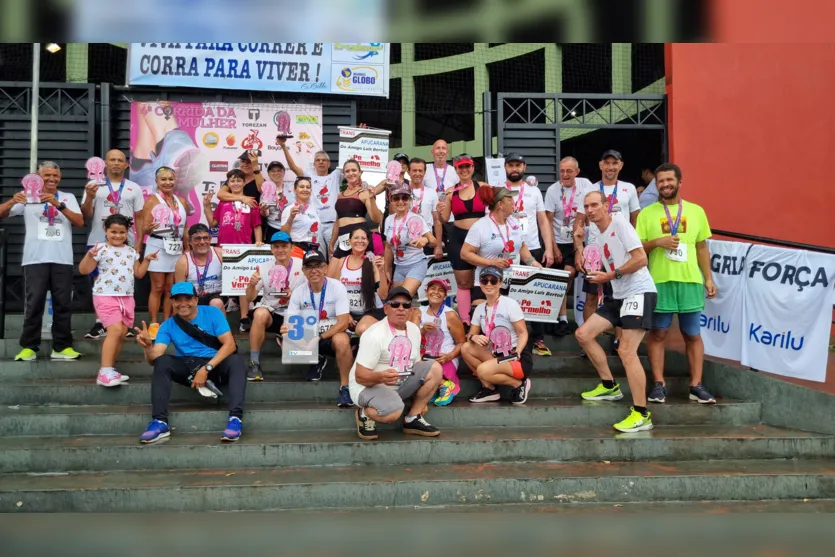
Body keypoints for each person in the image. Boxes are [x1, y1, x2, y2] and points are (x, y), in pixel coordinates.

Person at [574, 191, 657, 433]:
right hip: (618, 294)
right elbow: (590, 266)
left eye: (594, 205)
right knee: (583, 334)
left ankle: (642, 414)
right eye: (586, 206)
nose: (590, 210)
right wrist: (579, 243)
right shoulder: (594, 233)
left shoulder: (620, 223)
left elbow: (641, 258)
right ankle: (610, 386)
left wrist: (612, 275)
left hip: (639, 292)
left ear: (606, 205)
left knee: (626, 351)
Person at [636, 163, 717, 404]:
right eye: (661, 181)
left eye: (670, 180)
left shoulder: (696, 211)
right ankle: (659, 384)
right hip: (659, 281)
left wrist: (709, 278)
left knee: (692, 334)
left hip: (690, 280)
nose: (665, 184)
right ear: (656, 184)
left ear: (679, 182)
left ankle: (696, 385)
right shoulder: (646, 213)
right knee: (658, 334)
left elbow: (701, 247)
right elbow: (638, 248)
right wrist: (657, 242)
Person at [134, 282, 247, 444]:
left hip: (215, 365)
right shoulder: (167, 326)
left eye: (188, 298)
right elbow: (155, 359)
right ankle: (159, 422)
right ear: (172, 303)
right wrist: (147, 347)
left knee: (236, 360)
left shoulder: (212, 313)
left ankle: (235, 419)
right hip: (190, 369)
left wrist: (207, 368)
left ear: (195, 299)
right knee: (163, 361)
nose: (183, 304)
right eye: (177, 300)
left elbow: (229, 345)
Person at [0, 161, 84, 361]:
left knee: (63, 304)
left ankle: (62, 347)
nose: (52, 179)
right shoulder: (27, 196)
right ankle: (29, 346)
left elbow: (80, 222)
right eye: (47, 176)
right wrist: (12, 201)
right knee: (34, 303)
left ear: (60, 177)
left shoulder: (67, 197)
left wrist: (59, 205)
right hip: (35, 258)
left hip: (62, 258)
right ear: (38, 177)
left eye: (55, 176)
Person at [350, 286, 444, 440]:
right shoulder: (374, 334)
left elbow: (416, 365)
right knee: (394, 412)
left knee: (434, 368)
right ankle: (364, 413)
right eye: (395, 304)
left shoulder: (414, 330)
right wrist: (381, 377)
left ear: (411, 310)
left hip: (398, 383)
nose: (401, 309)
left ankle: (413, 417)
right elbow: (360, 377)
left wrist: (419, 400)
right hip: (366, 387)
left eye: (406, 305)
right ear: (386, 309)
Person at [79, 214, 158, 386]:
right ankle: (104, 371)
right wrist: (89, 256)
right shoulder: (99, 249)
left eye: (121, 232)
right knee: (114, 330)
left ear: (127, 232)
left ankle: (110, 369)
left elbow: (139, 273)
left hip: (127, 297)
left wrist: (147, 260)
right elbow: (84, 270)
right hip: (105, 296)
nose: (117, 235)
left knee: (121, 333)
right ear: (105, 231)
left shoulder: (131, 252)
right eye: (113, 232)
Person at [81, 149, 146, 340]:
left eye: (120, 160)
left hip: (127, 241)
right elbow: (86, 215)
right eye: (112, 160)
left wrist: (139, 243)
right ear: (105, 164)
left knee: (126, 277)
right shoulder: (93, 185)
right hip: (99, 240)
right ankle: (101, 322)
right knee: (99, 280)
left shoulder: (134, 187)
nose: (116, 163)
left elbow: (140, 218)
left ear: (126, 165)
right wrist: (90, 197)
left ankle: (126, 321)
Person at [573, 150, 641, 332]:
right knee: (591, 296)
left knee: (620, 295)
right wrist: (578, 251)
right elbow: (579, 221)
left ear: (621, 165)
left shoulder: (629, 188)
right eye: (607, 163)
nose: (610, 167)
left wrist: (633, 245)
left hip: (620, 249)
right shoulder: (590, 189)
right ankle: (588, 339)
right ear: (600, 165)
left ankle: (619, 340)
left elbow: (635, 218)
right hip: (595, 249)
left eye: (614, 163)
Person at [281, 251, 354, 407]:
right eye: (309, 267)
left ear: (326, 268)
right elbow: (293, 321)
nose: (313, 271)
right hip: (309, 336)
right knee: (285, 336)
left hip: (330, 336)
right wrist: (287, 329)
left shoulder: (337, 286)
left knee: (342, 340)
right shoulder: (299, 291)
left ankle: (345, 387)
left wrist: (319, 337)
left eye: (318, 266)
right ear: (303, 271)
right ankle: (315, 358)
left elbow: (343, 323)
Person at [502, 153, 555, 357]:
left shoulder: (533, 191)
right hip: (507, 248)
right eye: (510, 165)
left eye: (518, 165)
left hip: (532, 248)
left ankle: (538, 339)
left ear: (524, 167)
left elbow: (543, 221)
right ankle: (510, 337)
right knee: (508, 295)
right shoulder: (499, 190)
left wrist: (548, 248)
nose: (514, 168)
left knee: (535, 294)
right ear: (505, 167)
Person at [461, 266, 533, 405]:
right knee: (466, 348)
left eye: (493, 281)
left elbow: (523, 332)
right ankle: (489, 389)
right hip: (495, 353)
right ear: (480, 283)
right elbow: (470, 334)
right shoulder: (480, 308)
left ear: (500, 283)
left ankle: (518, 384)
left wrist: (517, 351)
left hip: (514, 357)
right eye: (484, 281)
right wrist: (473, 337)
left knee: (482, 370)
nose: (488, 284)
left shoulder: (510, 304)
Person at [204, 168, 264, 331]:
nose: (236, 183)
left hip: (243, 248)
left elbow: (257, 225)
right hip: (223, 248)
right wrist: (206, 207)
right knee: (221, 280)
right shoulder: (223, 203)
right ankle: (220, 315)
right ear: (228, 184)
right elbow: (213, 223)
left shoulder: (252, 202)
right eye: (232, 181)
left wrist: (258, 240)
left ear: (244, 182)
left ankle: (244, 318)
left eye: (239, 180)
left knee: (243, 283)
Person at [460, 185, 542, 301]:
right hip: (488, 283)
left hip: (513, 282)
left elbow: (522, 246)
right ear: (500, 204)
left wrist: (532, 262)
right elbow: (465, 254)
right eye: (509, 199)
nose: (513, 202)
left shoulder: (514, 223)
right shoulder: (480, 226)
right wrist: (491, 262)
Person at [245, 231, 306, 381]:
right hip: (272, 313)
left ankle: (307, 363)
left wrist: (293, 296)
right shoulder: (263, 267)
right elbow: (249, 298)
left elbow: (312, 294)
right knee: (259, 313)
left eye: (284, 246)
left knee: (297, 354)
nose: (280, 250)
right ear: (271, 249)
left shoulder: (302, 266)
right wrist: (251, 285)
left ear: (292, 247)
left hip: (294, 314)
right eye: (276, 246)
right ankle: (254, 362)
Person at [437, 154, 489, 324]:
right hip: (459, 237)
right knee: (463, 281)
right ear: (456, 169)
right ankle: (466, 321)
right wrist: (439, 210)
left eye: (468, 166)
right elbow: (444, 219)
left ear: (473, 168)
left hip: (482, 238)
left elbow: (496, 210)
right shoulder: (450, 192)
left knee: (487, 278)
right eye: (461, 167)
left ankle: (485, 320)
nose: (465, 170)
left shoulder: (483, 187)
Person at [545, 156, 593, 336]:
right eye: (562, 171)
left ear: (577, 172)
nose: (564, 175)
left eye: (569, 171)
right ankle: (562, 318)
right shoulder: (552, 190)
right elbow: (547, 221)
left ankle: (566, 317)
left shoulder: (585, 185)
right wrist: (553, 247)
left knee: (569, 274)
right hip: (558, 240)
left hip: (578, 240)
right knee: (559, 279)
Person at [142, 166, 189, 339]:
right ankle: (154, 323)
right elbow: (145, 228)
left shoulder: (181, 202)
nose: (167, 182)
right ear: (157, 181)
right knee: (158, 287)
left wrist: (187, 249)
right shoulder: (152, 201)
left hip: (175, 247)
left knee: (171, 288)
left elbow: (184, 229)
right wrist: (150, 227)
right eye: (163, 179)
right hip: (158, 246)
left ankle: (167, 322)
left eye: (170, 179)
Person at [413, 279, 466, 406]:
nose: (436, 292)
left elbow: (461, 342)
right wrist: (422, 331)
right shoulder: (418, 312)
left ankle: (444, 385)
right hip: (424, 356)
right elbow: (411, 338)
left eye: (441, 290)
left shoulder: (450, 315)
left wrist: (450, 356)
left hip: (445, 357)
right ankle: (443, 385)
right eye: (433, 289)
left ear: (445, 296)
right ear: (426, 292)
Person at [327, 227, 388, 336]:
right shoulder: (342, 261)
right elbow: (334, 291)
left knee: (361, 329)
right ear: (349, 241)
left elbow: (383, 295)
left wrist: (382, 271)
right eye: (356, 238)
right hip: (348, 311)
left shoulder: (373, 262)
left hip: (371, 311)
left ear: (368, 242)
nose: (360, 241)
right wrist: (344, 313)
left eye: (363, 238)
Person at [329, 159, 384, 259]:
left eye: (354, 170)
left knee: (362, 272)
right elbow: (338, 221)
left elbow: (376, 219)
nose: (351, 173)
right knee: (335, 272)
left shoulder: (365, 193)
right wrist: (332, 243)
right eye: (347, 171)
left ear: (360, 172)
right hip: (343, 241)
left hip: (360, 239)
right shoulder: (340, 195)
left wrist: (371, 199)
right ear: (343, 174)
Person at [383, 182, 432, 295]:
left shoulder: (416, 218)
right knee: (397, 300)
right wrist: (387, 270)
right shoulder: (389, 220)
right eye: (396, 198)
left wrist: (425, 240)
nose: (400, 201)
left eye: (404, 198)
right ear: (391, 200)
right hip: (399, 266)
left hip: (416, 263)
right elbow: (388, 247)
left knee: (403, 296)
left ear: (410, 199)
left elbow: (432, 240)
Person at [174, 224, 225, 314]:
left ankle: (221, 328)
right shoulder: (183, 261)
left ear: (210, 239)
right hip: (193, 298)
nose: (202, 242)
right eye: (197, 239)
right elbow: (179, 291)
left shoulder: (220, 254)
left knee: (216, 303)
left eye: (205, 238)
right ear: (190, 241)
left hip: (217, 295)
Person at [407, 158, 443, 259]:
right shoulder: (403, 191)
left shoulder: (431, 193)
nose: (417, 173)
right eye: (414, 170)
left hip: (427, 239)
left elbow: (437, 221)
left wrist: (438, 245)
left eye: (420, 170)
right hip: (407, 240)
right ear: (408, 172)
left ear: (424, 172)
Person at [310, 150, 343, 260]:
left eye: (324, 160)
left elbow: (352, 172)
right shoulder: (309, 177)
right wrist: (283, 146)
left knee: (335, 258)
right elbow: (294, 168)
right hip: (316, 226)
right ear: (314, 164)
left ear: (329, 164)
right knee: (319, 259)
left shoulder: (336, 174)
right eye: (318, 160)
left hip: (332, 226)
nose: (321, 162)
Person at [279, 176, 321, 254]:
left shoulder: (313, 209)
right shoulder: (289, 209)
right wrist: (291, 218)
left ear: (311, 191)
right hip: (297, 248)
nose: (305, 189)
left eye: (308, 187)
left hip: (313, 249)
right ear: (295, 190)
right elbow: (283, 234)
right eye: (301, 187)